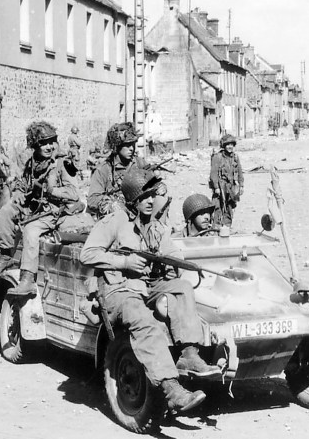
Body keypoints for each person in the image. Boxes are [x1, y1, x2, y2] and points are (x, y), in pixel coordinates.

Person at [80, 168, 219, 415]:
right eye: (144, 197)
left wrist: (175, 261)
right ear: (132, 200)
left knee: (182, 287)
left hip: (145, 286)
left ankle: (189, 353)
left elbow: (172, 251)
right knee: (145, 322)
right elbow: (87, 254)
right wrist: (124, 262)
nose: (151, 201)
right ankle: (171, 390)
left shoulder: (154, 225)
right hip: (117, 290)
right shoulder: (115, 222)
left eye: (153, 196)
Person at [0, 121, 82, 292]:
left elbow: (73, 193)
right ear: (35, 146)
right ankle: (6, 255)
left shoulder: (61, 163)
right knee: (4, 213)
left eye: (51, 142)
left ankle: (28, 278)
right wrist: (17, 192)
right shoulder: (33, 163)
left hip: (53, 211)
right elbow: (24, 184)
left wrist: (52, 191)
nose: (48, 146)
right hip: (33, 206)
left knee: (31, 230)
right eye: (43, 143)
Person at [87, 122, 149, 219]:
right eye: (127, 145)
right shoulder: (104, 169)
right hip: (114, 218)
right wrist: (111, 205)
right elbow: (92, 199)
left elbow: (152, 181)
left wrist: (159, 185)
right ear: (116, 147)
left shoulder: (139, 163)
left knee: (160, 200)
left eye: (133, 144)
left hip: (137, 210)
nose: (132, 148)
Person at [209, 134, 243, 228]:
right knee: (218, 207)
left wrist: (241, 185)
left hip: (231, 187)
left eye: (232, 144)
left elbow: (240, 172)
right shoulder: (217, 157)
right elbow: (213, 173)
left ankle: (227, 226)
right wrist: (216, 187)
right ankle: (216, 226)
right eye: (228, 144)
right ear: (223, 146)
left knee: (230, 207)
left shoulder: (235, 157)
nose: (230, 146)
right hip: (220, 186)